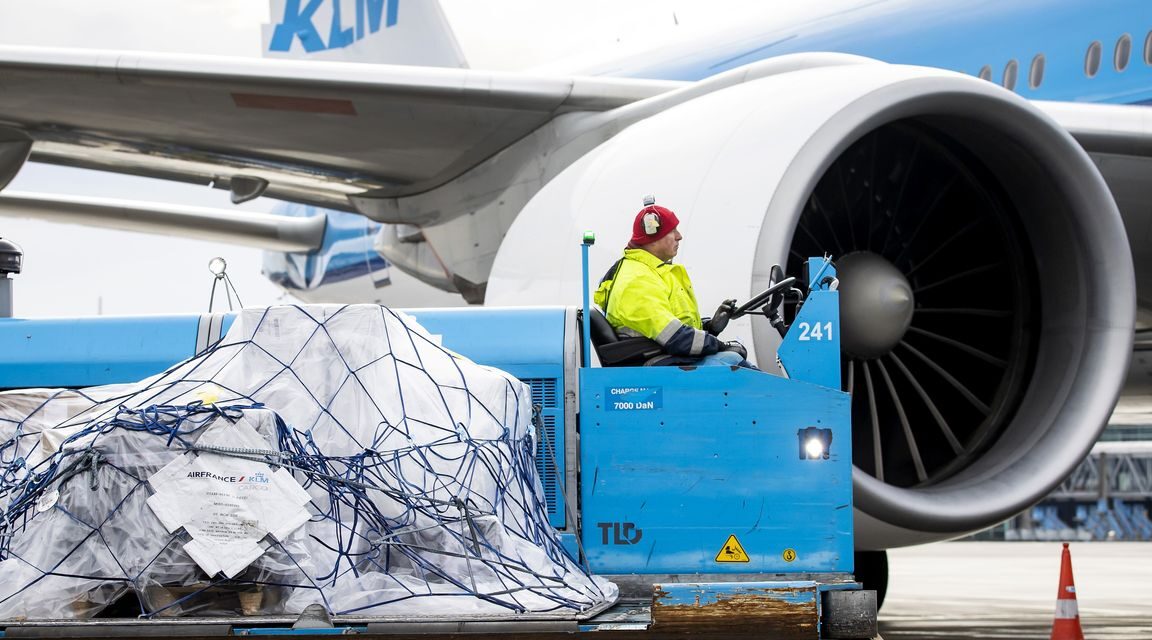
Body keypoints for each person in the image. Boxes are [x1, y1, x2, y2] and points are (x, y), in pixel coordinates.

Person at [594, 197, 753, 368]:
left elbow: (668, 331)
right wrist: (720, 345)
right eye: (672, 231)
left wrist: (711, 327)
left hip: (667, 357)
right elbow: (674, 337)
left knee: (736, 363)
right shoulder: (637, 280)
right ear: (652, 238)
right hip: (658, 366)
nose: (679, 236)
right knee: (735, 364)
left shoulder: (651, 272)